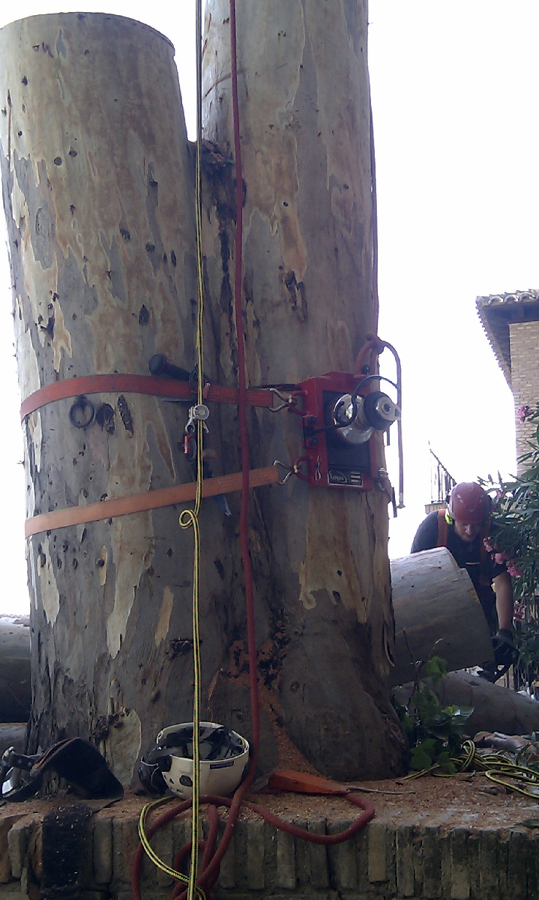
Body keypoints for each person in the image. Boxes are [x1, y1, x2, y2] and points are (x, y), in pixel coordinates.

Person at [411, 482, 515, 673]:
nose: (470, 531)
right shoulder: (431, 529)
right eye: (464, 524)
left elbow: (502, 583)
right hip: (436, 612)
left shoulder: (493, 534)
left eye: (475, 525)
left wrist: (505, 632)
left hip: (479, 616)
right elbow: (414, 582)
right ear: (452, 518)